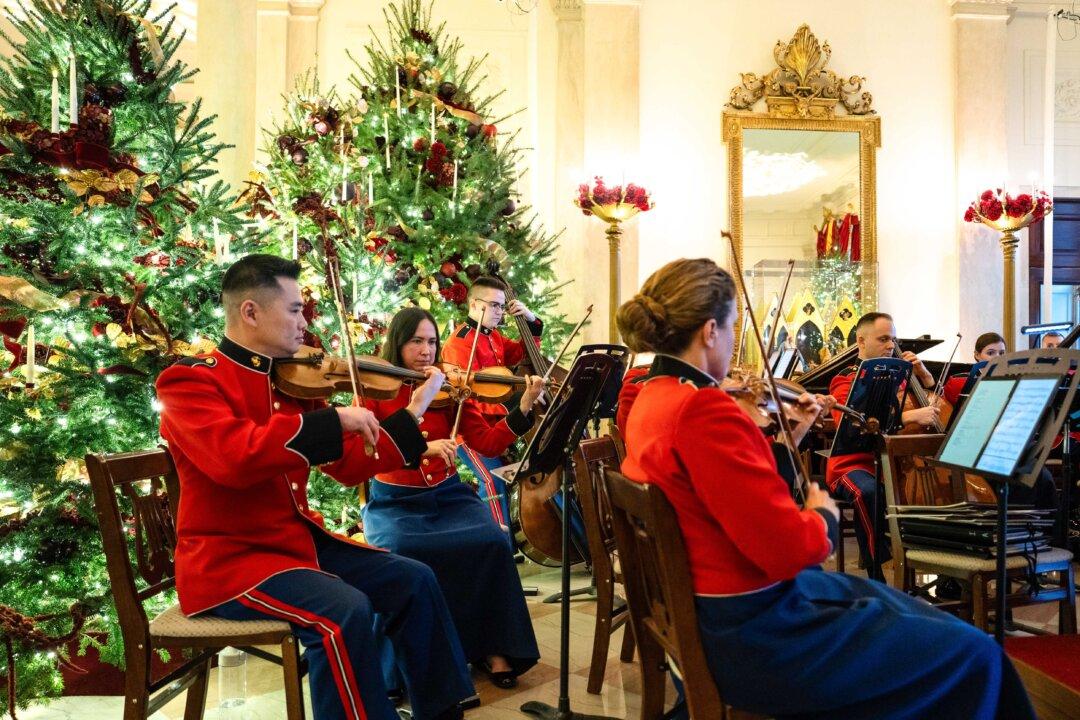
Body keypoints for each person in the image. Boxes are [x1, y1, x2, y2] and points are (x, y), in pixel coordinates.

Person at [615, 257, 1035, 720]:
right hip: (756, 637)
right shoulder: (704, 410)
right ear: (710, 331)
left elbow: (723, 495)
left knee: (895, 606)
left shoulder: (652, 398)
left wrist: (788, 440)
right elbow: (789, 550)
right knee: (976, 654)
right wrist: (824, 515)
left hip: (711, 616)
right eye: (733, 327)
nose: (735, 342)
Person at [155, 255, 473, 720]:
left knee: (414, 579)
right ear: (250, 312)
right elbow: (233, 458)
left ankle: (441, 711)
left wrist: (415, 411)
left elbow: (348, 467)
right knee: (342, 611)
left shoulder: (294, 382)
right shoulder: (189, 380)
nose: (305, 323)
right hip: (231, 564)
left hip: (296, 546)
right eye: (294, 310)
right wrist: (331, 418)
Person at [360, 306, 542, 689]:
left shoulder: (450, 388)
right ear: (398, 343)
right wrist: (420, 449)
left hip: (447, 496)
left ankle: (493, 647)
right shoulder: (375, 388)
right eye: (416, 342)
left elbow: (488, 440)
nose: (426, 351)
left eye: (431, 342)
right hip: (396, 502)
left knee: (491, 540)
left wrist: (523, 407)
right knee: (402, 551)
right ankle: (407, 665)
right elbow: (367, 453)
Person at [825, 311, 940, 581]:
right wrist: (907, 416)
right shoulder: (844, 380)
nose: (892, 345)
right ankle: (877, 571)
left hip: (897, 464)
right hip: (852, 465)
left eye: (894, 339)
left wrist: (925, 377)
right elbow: (852, 420)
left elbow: (936, 406)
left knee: (937, 489)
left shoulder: (902, 376)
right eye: (884, 339)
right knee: (869, 492)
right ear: (861, 341)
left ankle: (946, 569)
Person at [441, 276, 543, 537]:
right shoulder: (459, 343)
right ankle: (502, 545)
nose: (500, 312)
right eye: (495, 306)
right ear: (474, 305)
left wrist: (531, 321)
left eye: (502, 306)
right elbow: (469, 396)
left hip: (495, 422)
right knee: (491, 480)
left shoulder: (493, 335)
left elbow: (521, 353)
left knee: (517, 472)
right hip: (470, 427)